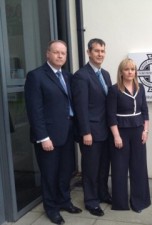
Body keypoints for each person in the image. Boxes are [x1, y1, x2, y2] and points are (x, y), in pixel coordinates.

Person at [24, 40, 82, 225]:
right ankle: (51, 208)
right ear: (47, 54)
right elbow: (35, 110)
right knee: (49, 175)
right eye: (56, 52)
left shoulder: (67, 76)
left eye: (63, 53)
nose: (60, 56)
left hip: (67, 133)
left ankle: (65, 201)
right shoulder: (36, 76)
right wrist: (43, 137)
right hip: (48, 136)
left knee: (65, 172)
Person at [71, 38, 112, 216]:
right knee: (91, 169)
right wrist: (85, 132)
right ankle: (91, 201)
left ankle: (103, 194)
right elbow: (80, 108)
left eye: (102, 51)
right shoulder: (81, 75)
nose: (100, 54)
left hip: (106, 131)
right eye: (96, 51)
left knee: (104, 167)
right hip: (91, 133)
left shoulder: (106, 75)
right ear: (88, 52)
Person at [107, 58, 151, 213]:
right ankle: (120, 203)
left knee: (139, 167)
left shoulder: (141, 88)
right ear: (121, 72)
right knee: (119, 167)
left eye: (132, 69)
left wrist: (145, 131)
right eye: (127, 69)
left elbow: (145, 111)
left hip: (138, 130)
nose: (130, 72)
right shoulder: (114, 90)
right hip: (121, 132)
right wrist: (116, 136)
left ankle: (139, 201)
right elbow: (111, 116)